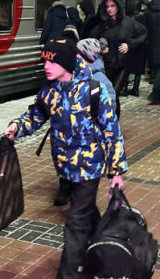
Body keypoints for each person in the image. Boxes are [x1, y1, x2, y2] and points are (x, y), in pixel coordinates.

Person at [5, 39, 127, 279]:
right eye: (45, 60)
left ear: (67, 61)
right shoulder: (50, 92)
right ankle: (103, 252)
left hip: (90, 167)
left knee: (76, 223)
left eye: (53, 60)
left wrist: (116, 171)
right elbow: (36, 114)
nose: (46, 65)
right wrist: (17, 127)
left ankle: (69, 275)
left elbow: (112, 132)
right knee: (88, 213)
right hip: (65, 166)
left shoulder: (94, 89)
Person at [49, 37, 117, 207]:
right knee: (65, 163)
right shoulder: (72, 75)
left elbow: (110, 110)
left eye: (78, 55)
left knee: (81, 205)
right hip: (67, 136)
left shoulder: (99, 79)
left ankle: (73, 198)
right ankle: (66, 189)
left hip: (88, 141)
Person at [89, 0, 147, 103]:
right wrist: (99, 49)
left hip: (123, 64)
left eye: (112, 6)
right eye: (107, 7)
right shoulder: (102, 25)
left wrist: (129, 44)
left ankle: (113, 116)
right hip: (106, 65)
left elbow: (143, 33)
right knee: (106, 92)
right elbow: (91, 39)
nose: (109, 9)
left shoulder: (128, 22)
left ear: (118, 7)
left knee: (114, 93)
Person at [123, 0, 146, 96]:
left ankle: (124, 88)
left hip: (130, 45)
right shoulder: (143, 16)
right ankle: (135, 89)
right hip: (141, 45)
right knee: (138, 70)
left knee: (127, 68)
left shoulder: (128, 18)